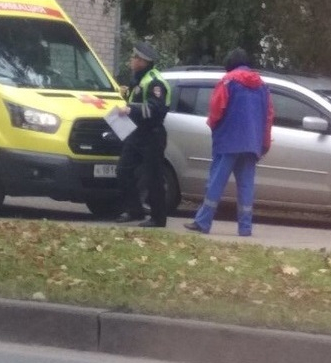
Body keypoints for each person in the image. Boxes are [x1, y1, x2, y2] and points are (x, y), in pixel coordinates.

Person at [183, 48, 273, 237]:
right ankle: (245, 227)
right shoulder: (262, 86)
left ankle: (203, 222)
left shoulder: (227, 81)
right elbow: (268, 116)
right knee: (246, 185)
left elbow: (216, 110)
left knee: (216, 182)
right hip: (251, 143)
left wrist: (214, 127)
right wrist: (263, 143)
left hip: (228, 141)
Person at [114, 41, 171, 228]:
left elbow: (156, 109)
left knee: (154, 176)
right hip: (136, 133)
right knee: (123, 170)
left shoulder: (154, 82)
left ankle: (158, 218)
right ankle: (134, 209)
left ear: (142, 61)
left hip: (152, 134)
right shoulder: (137, 79)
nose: (131, 60)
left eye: (134, 58)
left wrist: (131, 109)